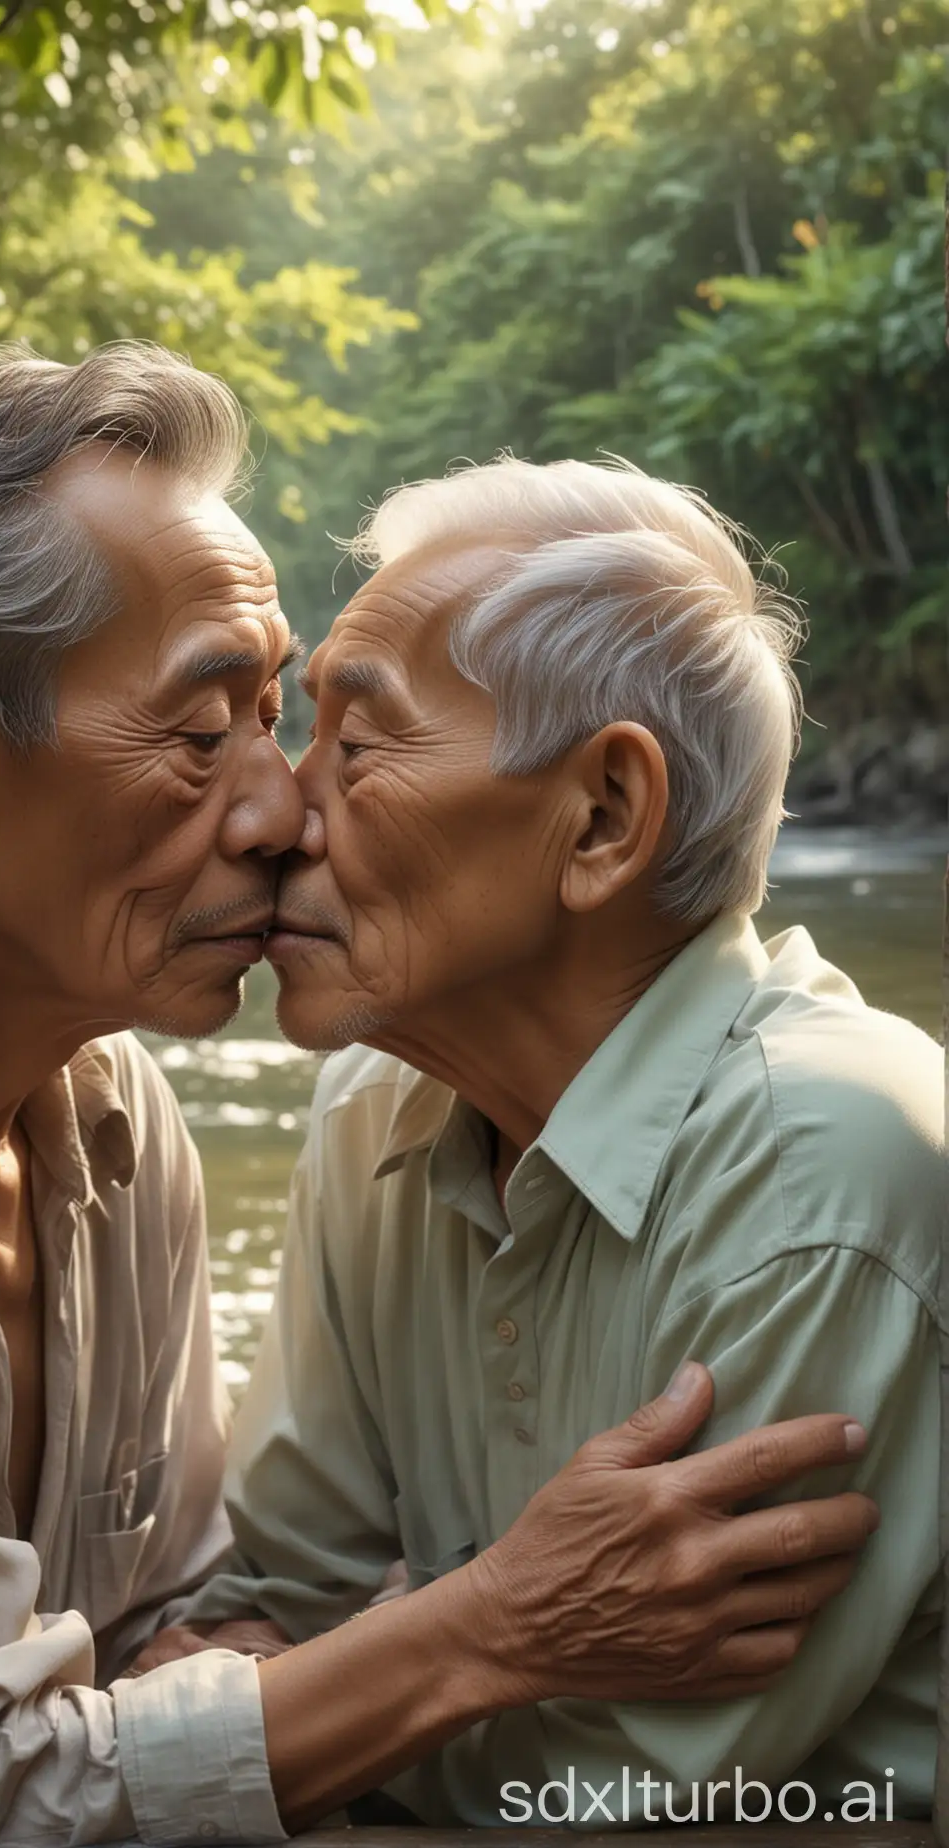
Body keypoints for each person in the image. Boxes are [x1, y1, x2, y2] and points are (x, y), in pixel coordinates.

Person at [0, 349, 878, 1837]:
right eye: (204, 735)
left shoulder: (109, 1113)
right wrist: (488, 1630)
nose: (277, 808)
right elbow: (3, 1783)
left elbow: (172, 1633)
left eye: (290, 721)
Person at [160, 456, 943, 1823]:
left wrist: (329, 1698)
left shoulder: (823, 1172)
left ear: (601, 819)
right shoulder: (378, 1103)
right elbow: (274, 1596)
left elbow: (627, 1805)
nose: (281, 811)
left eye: (355, 746)